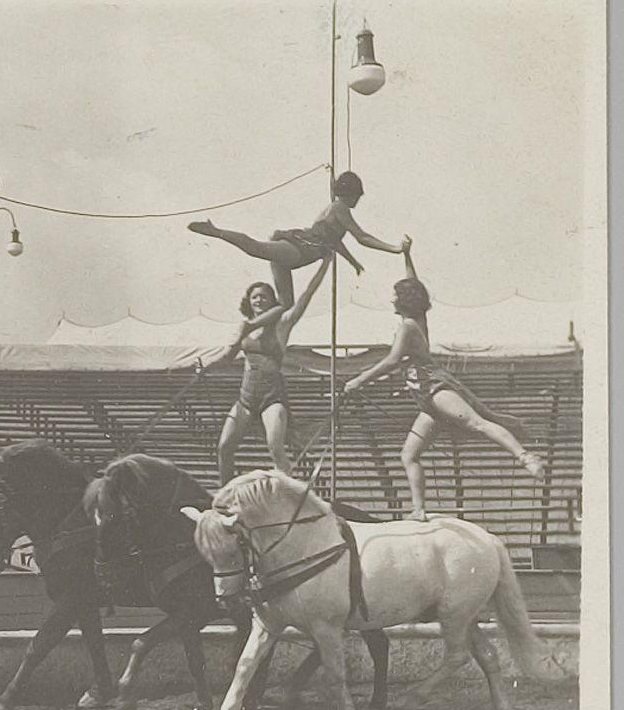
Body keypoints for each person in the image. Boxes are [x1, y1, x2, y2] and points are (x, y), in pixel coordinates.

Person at [343, 240, 545, 520]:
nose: (391, 299)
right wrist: (407, 255)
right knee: (409, 455)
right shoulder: (417, 319)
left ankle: (526, 458)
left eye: (395, 295)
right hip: (426, 400)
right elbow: (414, 283)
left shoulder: (408, 327)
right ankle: (419, 510)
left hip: (435, 388)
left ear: (404, 301)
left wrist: (358, 381)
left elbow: (391, 361)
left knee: (477, 422)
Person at [187, 171, 407, 309]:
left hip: (298, 253)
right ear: (353, 194)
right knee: (256, 248)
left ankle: (264, 337)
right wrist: (396, 249)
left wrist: (353, 262)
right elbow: (362, 237)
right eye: (358, 196)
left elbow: (335, 241)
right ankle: (216, 231)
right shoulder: (340, 207)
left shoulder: (334, 210)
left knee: (286, 306)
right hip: (299, 249)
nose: (358, 201)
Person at [218, 255, 332, 486]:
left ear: (273, 301)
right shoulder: (244, 328)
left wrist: (324, 265)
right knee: (224, 447)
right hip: (246, 397)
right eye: (255, 296)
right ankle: (225, 493)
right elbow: (226, 357)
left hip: (272, 397)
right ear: (248, 301)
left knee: (275, 447)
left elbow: (306, 296)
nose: (259, 300)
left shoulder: (282, 324)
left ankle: (288, 492)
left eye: (264, 296)